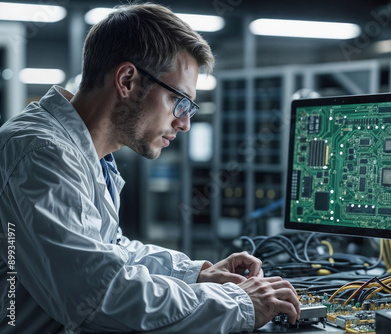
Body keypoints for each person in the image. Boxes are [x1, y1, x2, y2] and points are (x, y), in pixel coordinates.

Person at [0, 3, 300, 333]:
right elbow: (98, 296)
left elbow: (110, 252)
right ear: (127, 80)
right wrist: (240, 302)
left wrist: (197, 273)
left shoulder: (84, 153)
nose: (184, 123)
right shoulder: (43, 152)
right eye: (179, 101)